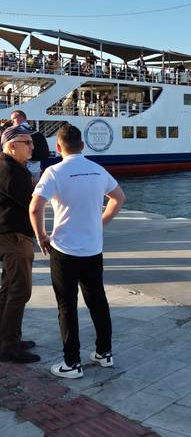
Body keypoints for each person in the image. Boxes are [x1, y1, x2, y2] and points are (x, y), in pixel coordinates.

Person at [29, 124, 126, 379]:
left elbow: (34, 208)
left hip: (64, 250)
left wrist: (41, 237)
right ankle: (104, 353)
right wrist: (101, 222)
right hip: (93, 249)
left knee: (67, 306)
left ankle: (72, 363)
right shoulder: (97, 170)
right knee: (98, 301)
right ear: (82, 146)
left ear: (58, 147)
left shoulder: (54, 172)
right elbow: (119, 198)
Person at [0, 125, 40, 363]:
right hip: (14, 237)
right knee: (19, 291)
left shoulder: (10, 166)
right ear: (12, 146)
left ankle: (7, 337)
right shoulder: (11, 170)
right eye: (28, 143)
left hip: (9, 235)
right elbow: (30, 201)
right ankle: (8, 346)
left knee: (8, 290)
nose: (32, 147)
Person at [10, 110, 50, 184]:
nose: (12, 122)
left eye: (12, 120)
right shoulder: (37, 133)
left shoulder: (16, 133)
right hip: (37, 169)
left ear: (18, 118)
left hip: (22, 169)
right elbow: (45, 152)